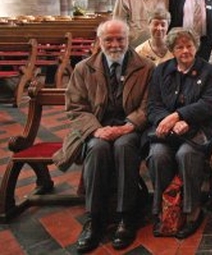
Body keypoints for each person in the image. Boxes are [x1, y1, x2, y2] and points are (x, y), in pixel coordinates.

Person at [54, 19, 154, 252]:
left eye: (120, 38)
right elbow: (75, 108)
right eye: (109, 39)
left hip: (129, 128)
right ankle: (94, 218)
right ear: (100, 41)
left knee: (124, 147)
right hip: (97, 127)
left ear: (128, 39)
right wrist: (96, 130)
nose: (115, 44)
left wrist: (128, 126)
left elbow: (149, 105)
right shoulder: (83, 68)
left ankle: (126, 217)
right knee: (97, 149)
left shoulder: (146, 67)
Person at [146, 27, 212, 239]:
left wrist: (180, 116)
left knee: (186, 155)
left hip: (198, 130)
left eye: (189, 46)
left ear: (196, 47)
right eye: (179, 47)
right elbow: (153, 105)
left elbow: (209, 104)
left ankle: (191, 210)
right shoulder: (161, 70)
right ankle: (165, 209)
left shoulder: (209, 71)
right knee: (158, 155)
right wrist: (167, 121)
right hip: (166, 130)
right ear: (172, 50)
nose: (185, 51)